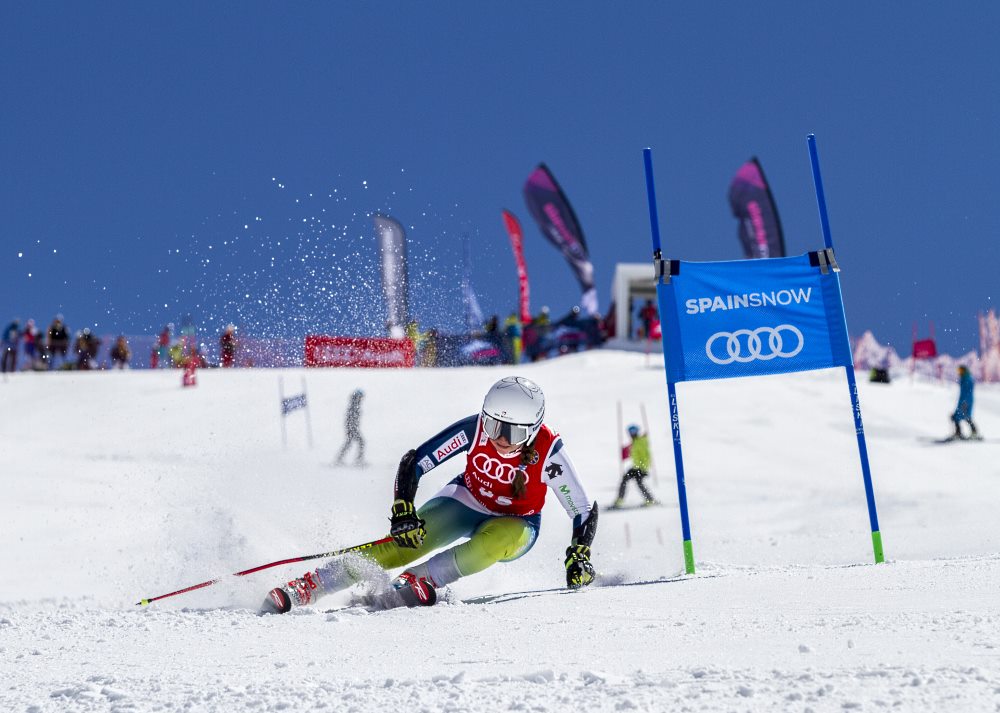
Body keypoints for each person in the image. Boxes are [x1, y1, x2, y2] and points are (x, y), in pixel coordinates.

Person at [263, 376, 598, 613]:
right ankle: (310, 585)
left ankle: (418, 581)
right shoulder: (476, 428)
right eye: (495, 425)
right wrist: (404, 509)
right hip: (466, 499)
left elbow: (581, 508)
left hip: (517, 522)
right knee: (406, 543)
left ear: (533, 430)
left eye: (512, 432)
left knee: (489, 545)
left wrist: (579, 554)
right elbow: (416, 461)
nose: (500, 437)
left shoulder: (548, 450)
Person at [612, 424, 658, 508]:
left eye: (633, 431)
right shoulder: (635, 442)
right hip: (637, 467)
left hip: (640, 468)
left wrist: (644, 467)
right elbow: (635, 455)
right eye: (630, 432)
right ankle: (649, 499)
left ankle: (620, 500)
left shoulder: (641, 441)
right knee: (635, 481)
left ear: (637, 432)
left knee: (629, 480)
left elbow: (646, 455)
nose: (631, 434)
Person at [335, 389, 366, 466]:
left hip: (351, 427)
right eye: (361, 397)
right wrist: (352, 427)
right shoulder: (354, 405)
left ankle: (339, 458)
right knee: (360, 442)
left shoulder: (355, 403)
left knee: (350, 443)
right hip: (352, 428)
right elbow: (351, 417)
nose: (362, 399)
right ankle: (358, 460)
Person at [949, 365, 980, 440]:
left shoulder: (967, 379)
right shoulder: (965, 378)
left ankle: (964, 432)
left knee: (960, 416)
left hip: (965, 401)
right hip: (964, 401)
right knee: (960, 416)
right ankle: (963, 432)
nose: (959, 372)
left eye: (961, 371)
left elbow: (967, 392)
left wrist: (965, 402)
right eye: (959, 371)